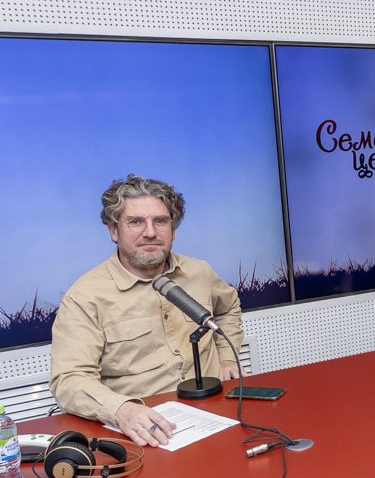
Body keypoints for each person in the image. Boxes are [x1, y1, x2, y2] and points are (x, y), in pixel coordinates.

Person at [50, 175, 244, 447]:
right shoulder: (85, 297)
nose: (150, 232)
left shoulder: (199, 272)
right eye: (136, 222)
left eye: (160, 221)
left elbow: (228, 308)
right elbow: (69, 380)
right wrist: (121, 410)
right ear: (113, 230)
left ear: (173, 230)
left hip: (216, 413)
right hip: (144, 431)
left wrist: (226, 357)